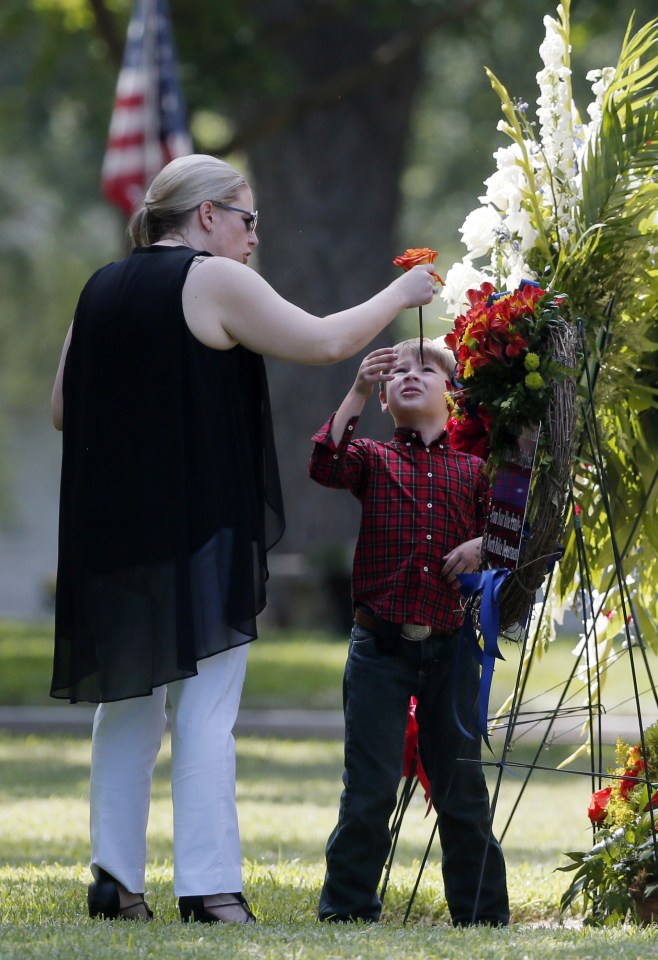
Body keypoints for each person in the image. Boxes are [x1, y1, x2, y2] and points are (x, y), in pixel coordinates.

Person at [50, 154, 437, 925]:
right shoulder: (211, 277)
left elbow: (65, 408)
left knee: (129, 701)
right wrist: (402, 293)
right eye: (248, 219)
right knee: (206, 709)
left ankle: (114, 881)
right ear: (206, 217)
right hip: (196, 525)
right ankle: (209, 887)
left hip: (115, 530)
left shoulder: (100, 286)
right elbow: (326, 342)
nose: (254, 238)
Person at [309, 337, 510, 926]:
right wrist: (357, 386)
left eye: (425, 369)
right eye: (395, 374)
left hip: (450, 649)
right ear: (384, 401)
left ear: (453, 395)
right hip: (379, 649)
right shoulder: (371, 458)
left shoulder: (476, 470)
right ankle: (347, 910)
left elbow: (510, 542)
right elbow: (324, 463)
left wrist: (482, 545)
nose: (409, 376)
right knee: (368, 788)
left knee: (462, 792)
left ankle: (480, 915)